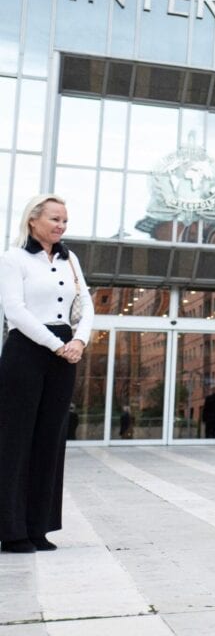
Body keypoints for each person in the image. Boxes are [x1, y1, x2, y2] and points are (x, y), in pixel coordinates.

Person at [0, 194, 94, 553]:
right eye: (55, 218)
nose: (61, 226)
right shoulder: (13, 259)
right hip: (26, 350)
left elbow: (84, 303)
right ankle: (12, 531)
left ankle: (39, 527)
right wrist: (56, 345)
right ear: (33, 220)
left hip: (65, 353)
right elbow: (15, 311)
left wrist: (80, 341)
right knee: (15, 440)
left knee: (50, 441)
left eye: (65, 221)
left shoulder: (72, 260)